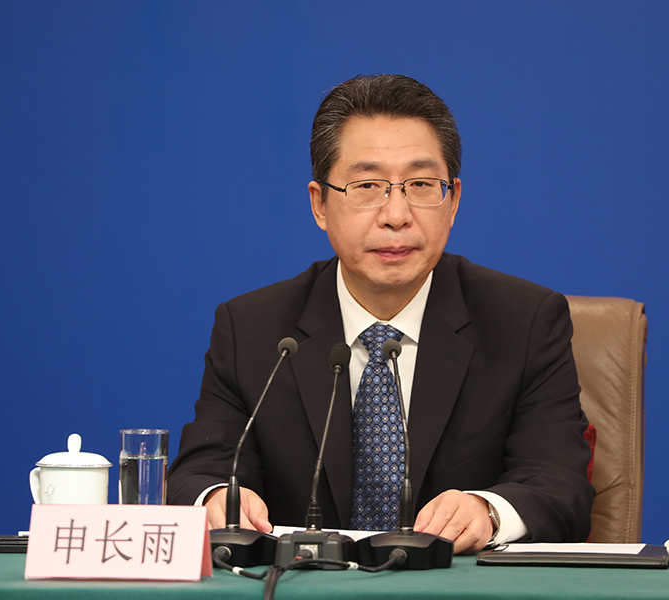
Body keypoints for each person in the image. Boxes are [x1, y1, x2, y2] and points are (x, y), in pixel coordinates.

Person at [167, 74, 594, 554]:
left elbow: (560, 485)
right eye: (367, 185)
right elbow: (199, 472)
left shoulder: (524, 321)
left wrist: (488, 510)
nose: (396, 214)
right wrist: (216, 499)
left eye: (421, 185)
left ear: (453, 200)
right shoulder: (253, 329)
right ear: (320, 204)